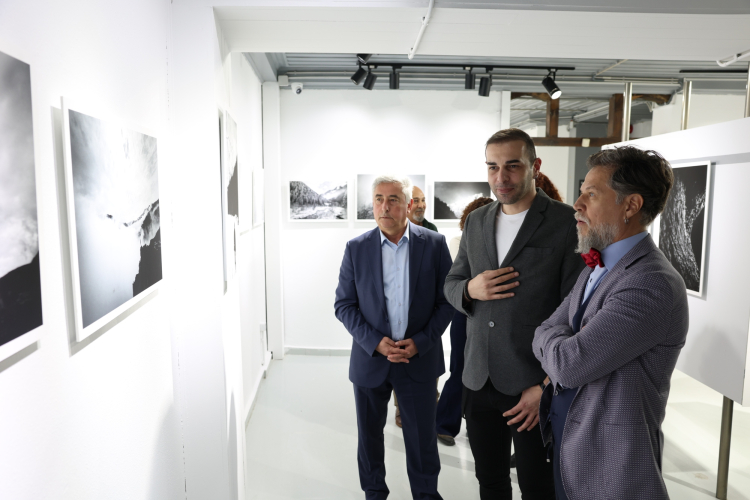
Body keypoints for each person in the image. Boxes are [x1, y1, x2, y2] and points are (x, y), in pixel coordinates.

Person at [533, 146, 687, 500]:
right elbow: (544, 330)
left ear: (630, 206)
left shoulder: (651, 283)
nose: (577, 204)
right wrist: (557, 339)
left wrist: (554, 342)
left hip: (610, 464)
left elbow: (568, 365)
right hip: (574, 446)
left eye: (591, 194)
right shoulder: (600, 265)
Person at [444, 128, 585, 500]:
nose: (500, 177)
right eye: (492, 167)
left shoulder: (565, 222)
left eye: (512, 166)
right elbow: (452, 283)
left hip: (532, 385)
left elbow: (577, 313)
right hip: (478, 379)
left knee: (538, 488)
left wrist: (546, 386)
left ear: (535, 166)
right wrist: (470, 290)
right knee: (490, 482)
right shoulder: (477, 221)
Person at [335, 175, 454, 500]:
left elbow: (448, 302)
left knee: (422, 440)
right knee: (369, 439)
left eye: (393, 199)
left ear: (409, 204)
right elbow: (344, 305)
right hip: (371, 360)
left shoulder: (434, 245)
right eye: (378, 199)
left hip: (419, 361)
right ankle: (374, 493)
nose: (384, 207)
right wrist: (374, 341)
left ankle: (426, 495)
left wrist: (421, 342)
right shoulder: (356, 248)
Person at [435, 197, 493, 447]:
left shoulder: (497, 243)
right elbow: (457, 280)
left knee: (485, 373)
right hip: (464, 311)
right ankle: (444, 425)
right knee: (460, 369)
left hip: (490, 314)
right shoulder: (458, 241)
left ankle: (474, 422)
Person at [393, 184, 440, 428]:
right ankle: (400, 408)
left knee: (426, 367)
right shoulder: (389, 233)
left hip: (425, 320)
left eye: (423, 200)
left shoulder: (433, 233)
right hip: (397, 319)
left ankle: (430, 402)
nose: (421, 205)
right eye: (416, 200)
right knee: (398, 363)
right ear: (406, 204)